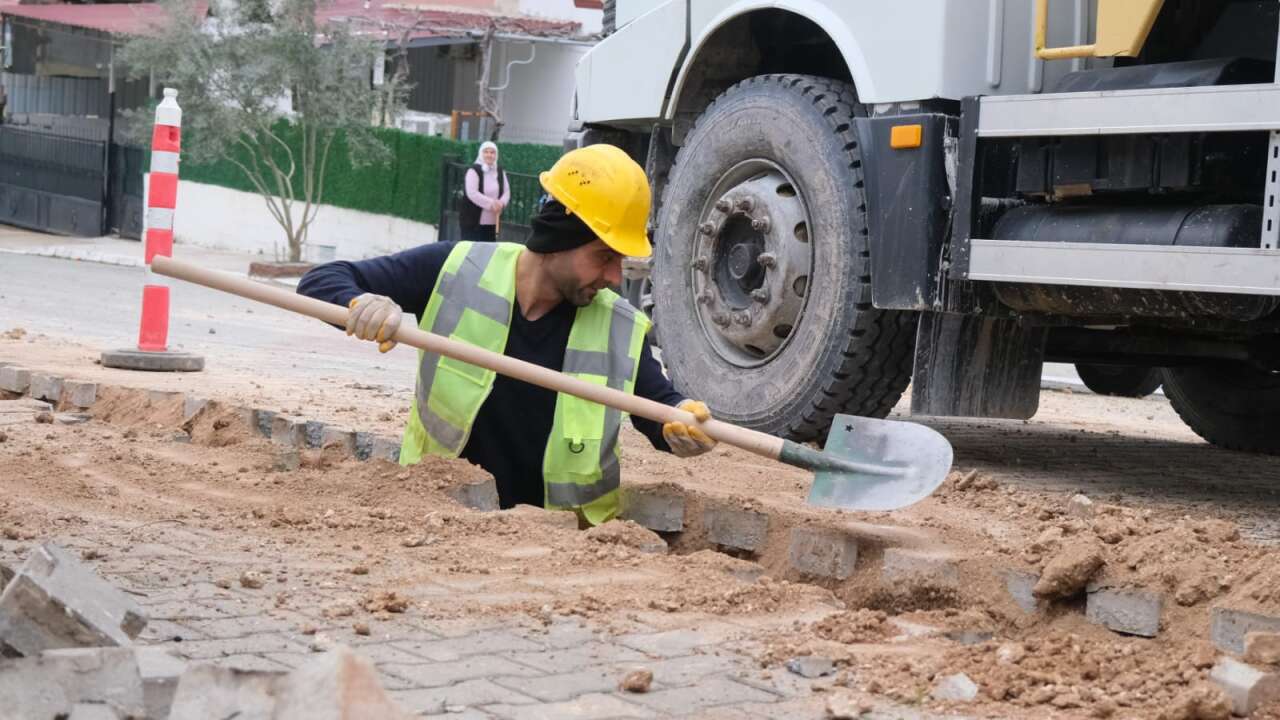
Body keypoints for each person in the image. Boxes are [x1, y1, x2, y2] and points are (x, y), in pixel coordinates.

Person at [299, 144, 716, 525]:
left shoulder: (619, 327)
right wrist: (362, 305)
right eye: (604, 257)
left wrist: (682, 427)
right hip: (436, 522)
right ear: (558, 238)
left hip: (561, 549)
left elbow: (660, 411)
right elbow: (323, 280)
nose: (612, 277)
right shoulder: (455, 269)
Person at [459, 141, 509, 242]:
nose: (489, 155)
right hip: (473, 222)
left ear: (496, 155)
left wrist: (502, 203)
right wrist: (492, 204)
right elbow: (472, 193)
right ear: (481, 153)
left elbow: (506, 191)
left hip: (493, 222)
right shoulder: (473, 171)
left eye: (492, 152)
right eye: (486, 152)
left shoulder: (499, 171)